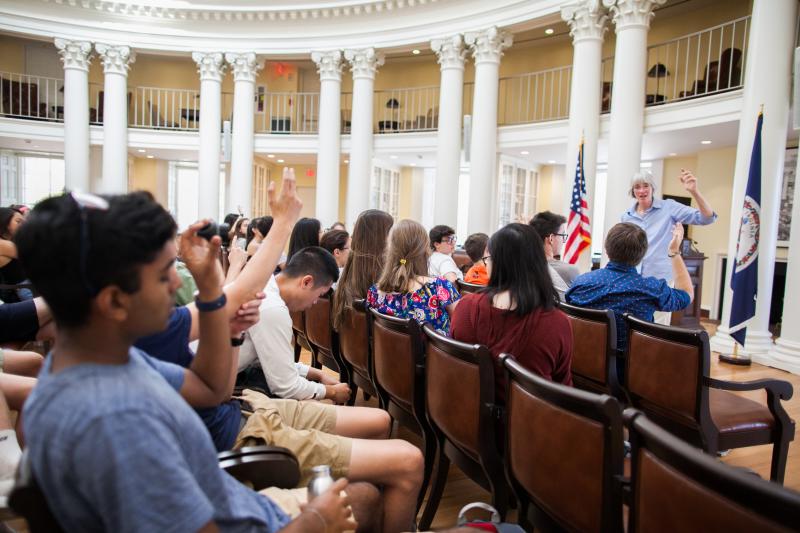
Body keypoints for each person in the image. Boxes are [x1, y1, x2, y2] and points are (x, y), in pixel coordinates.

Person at [16, 191, 363, 532]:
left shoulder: (107, 360)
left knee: (363, 494)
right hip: (243, 510)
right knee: (365, 497)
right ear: (115, 301)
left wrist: (215, 295)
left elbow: (211, 390)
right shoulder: (118, 421)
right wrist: (315, 521)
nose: (176, 283)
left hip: (233, 501)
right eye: (165, 272)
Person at [451, 224, 572, 402]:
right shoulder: (556, 323)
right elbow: (563, 391)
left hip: (464, 414)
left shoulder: (465, 307)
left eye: (488, 260)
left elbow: (455, 367)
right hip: (529, 423)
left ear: (496, 264)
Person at [238, 247, 351, 403]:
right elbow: (285, 386)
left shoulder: (266, 284)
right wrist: (331, 392)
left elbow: (275, 361)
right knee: (314, 403)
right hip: (217, 387)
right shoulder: (273, 308)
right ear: (306, 282)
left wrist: (318, 374)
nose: (315, 302)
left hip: (222, 376)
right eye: (319, 294)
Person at [566, 222, 693, 360]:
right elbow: (687, 295)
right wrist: (674, 252)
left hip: (579, 364)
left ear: (607, 249)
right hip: (629, 374)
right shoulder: (651, 288)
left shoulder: (580, 283)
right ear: (642, 254)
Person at [620, 170, 714, 323]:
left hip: (660, 280)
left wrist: (694, 191)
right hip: (633, 279)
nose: (642, 190)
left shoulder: (669, 208)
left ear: (652, 188)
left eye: (646, 186)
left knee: (656, 328)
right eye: (637, 187)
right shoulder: (626, 216)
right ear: (633, 191)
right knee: (631, 324)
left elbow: (706, 218)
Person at [368, 219, 461, 335]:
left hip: (388, 353)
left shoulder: (374, 292)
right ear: (425, 251)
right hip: (429, 353)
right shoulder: (438, 287)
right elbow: (463, 326)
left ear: (390, 250)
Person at [332, 209, 394, 332]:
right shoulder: (383, 279)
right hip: (375, 347)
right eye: (390, 232)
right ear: (380, 237)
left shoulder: (348, 272)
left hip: (351, 348)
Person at [530, 211, 581, 286]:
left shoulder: (521, 267)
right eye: (562, 235)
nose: (563, 240)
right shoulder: (569, 271)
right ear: (551, 238)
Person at [0, 207, 30, 303]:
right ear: (5, 222)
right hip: (26, 288)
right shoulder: (3, 244)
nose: (23, 225)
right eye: (18, 221)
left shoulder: (8, 241)